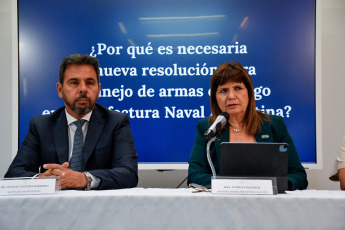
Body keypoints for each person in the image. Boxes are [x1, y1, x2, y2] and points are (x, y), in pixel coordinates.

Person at [5, 54, 138, 190]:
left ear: (98, 90)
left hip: (100, 207)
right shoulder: (40, 126)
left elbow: (129, 174)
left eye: (90, 83)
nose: (83, 89)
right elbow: (13, 175)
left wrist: (84, 179)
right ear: (60, 90)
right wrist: (43, 180)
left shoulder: (116, 122)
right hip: (53, 208)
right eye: (74, 83)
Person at [188, 62, 308, 191]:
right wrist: (241, 185)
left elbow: (299, 176)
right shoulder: (207, 127)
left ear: (249, 92)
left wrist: (278, 185)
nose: (231, 96)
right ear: (215, 98)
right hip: (222, 205)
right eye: (223, 90)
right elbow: (194, 176)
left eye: (238, 88)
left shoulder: (274, 124)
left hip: (270, 206)